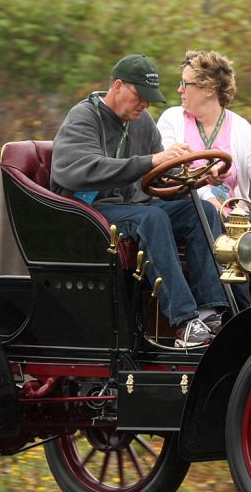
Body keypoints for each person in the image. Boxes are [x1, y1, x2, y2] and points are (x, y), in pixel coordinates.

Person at [48, 53, 229, 348]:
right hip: (87, 213)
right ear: (117, 86)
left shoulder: (142, 121)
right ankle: (184, 321)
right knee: (153, 219)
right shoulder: (84, 117)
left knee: (202, 211)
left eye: (149, 98)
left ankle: (211, 310)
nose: (144, 104)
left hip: (133, 207)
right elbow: (79, 171)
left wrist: (195, 177)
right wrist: (153, 160)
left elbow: (155, 176)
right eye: (139, 96)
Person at [156, 50, 251, 227]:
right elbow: (170, 174)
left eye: (185, 83)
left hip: (232, 218)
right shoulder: (172, 119)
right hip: (190, 216)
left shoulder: (241, 128)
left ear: (209, 89)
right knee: (208, 213)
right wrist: (207, 195)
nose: (179, 89)